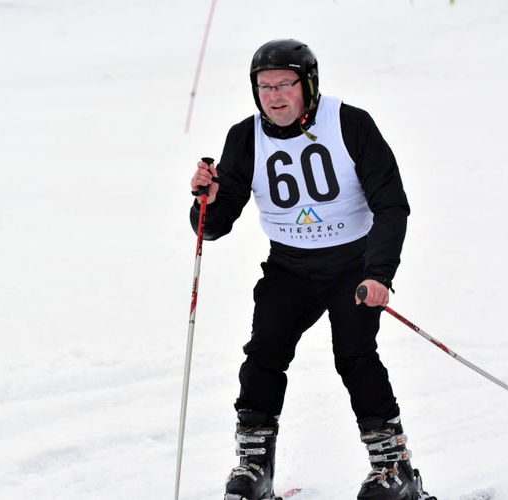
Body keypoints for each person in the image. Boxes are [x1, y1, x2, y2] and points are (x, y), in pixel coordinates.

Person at [189, 39, 436, 500]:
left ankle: (394, 470)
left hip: (353, 267)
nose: (275, 96)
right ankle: (254, 466)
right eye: (264, 87)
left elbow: (391, 205)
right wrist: (209, 198)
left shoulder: (350, 123)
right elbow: (213, 228)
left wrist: (379, 273)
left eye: (285, 84)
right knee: (264, 352)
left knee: (355, 355)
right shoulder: (245, 137)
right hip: (290, 268)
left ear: (309, 85)